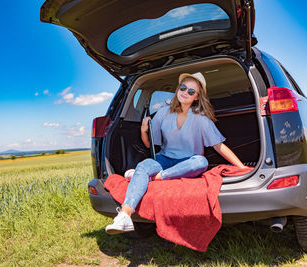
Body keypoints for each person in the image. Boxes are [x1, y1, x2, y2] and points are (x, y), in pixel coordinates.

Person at [105, 72, 249, 235]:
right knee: (143, 165)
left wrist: (241, 167)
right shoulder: (163, 112)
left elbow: (219, 146)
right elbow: (149, 145)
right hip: (164, 160)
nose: (185, 92)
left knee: (201, 162)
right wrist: (143, 130)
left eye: (191, 91)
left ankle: (154, 178)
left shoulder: (201, 119)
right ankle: (124, 215)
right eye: (183, 87)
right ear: (177, 89)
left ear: (197, 97)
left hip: (188, 163)